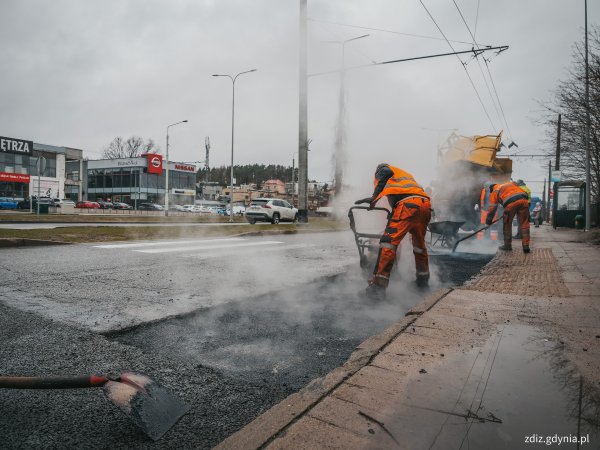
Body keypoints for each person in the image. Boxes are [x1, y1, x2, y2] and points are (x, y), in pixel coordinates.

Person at [355, 163, 432, 299]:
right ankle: (422, 282)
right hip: (425, 205)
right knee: (419, 246)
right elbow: (403, 196)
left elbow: (384, 172)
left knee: (387, 244)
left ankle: (377, 288)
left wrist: (374, 197)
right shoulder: (405, 176)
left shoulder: (384, 169)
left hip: (408, 206)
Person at [486, 181, 530, 253]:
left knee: (507, 224)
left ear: (491, 189)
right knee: (525, 224)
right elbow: (520, 190)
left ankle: (507, 245)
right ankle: (526, 246)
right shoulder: (509, 184)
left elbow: (492, 209)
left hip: (511, 204)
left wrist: (488, 222)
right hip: (524, 200)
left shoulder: (494, 191)